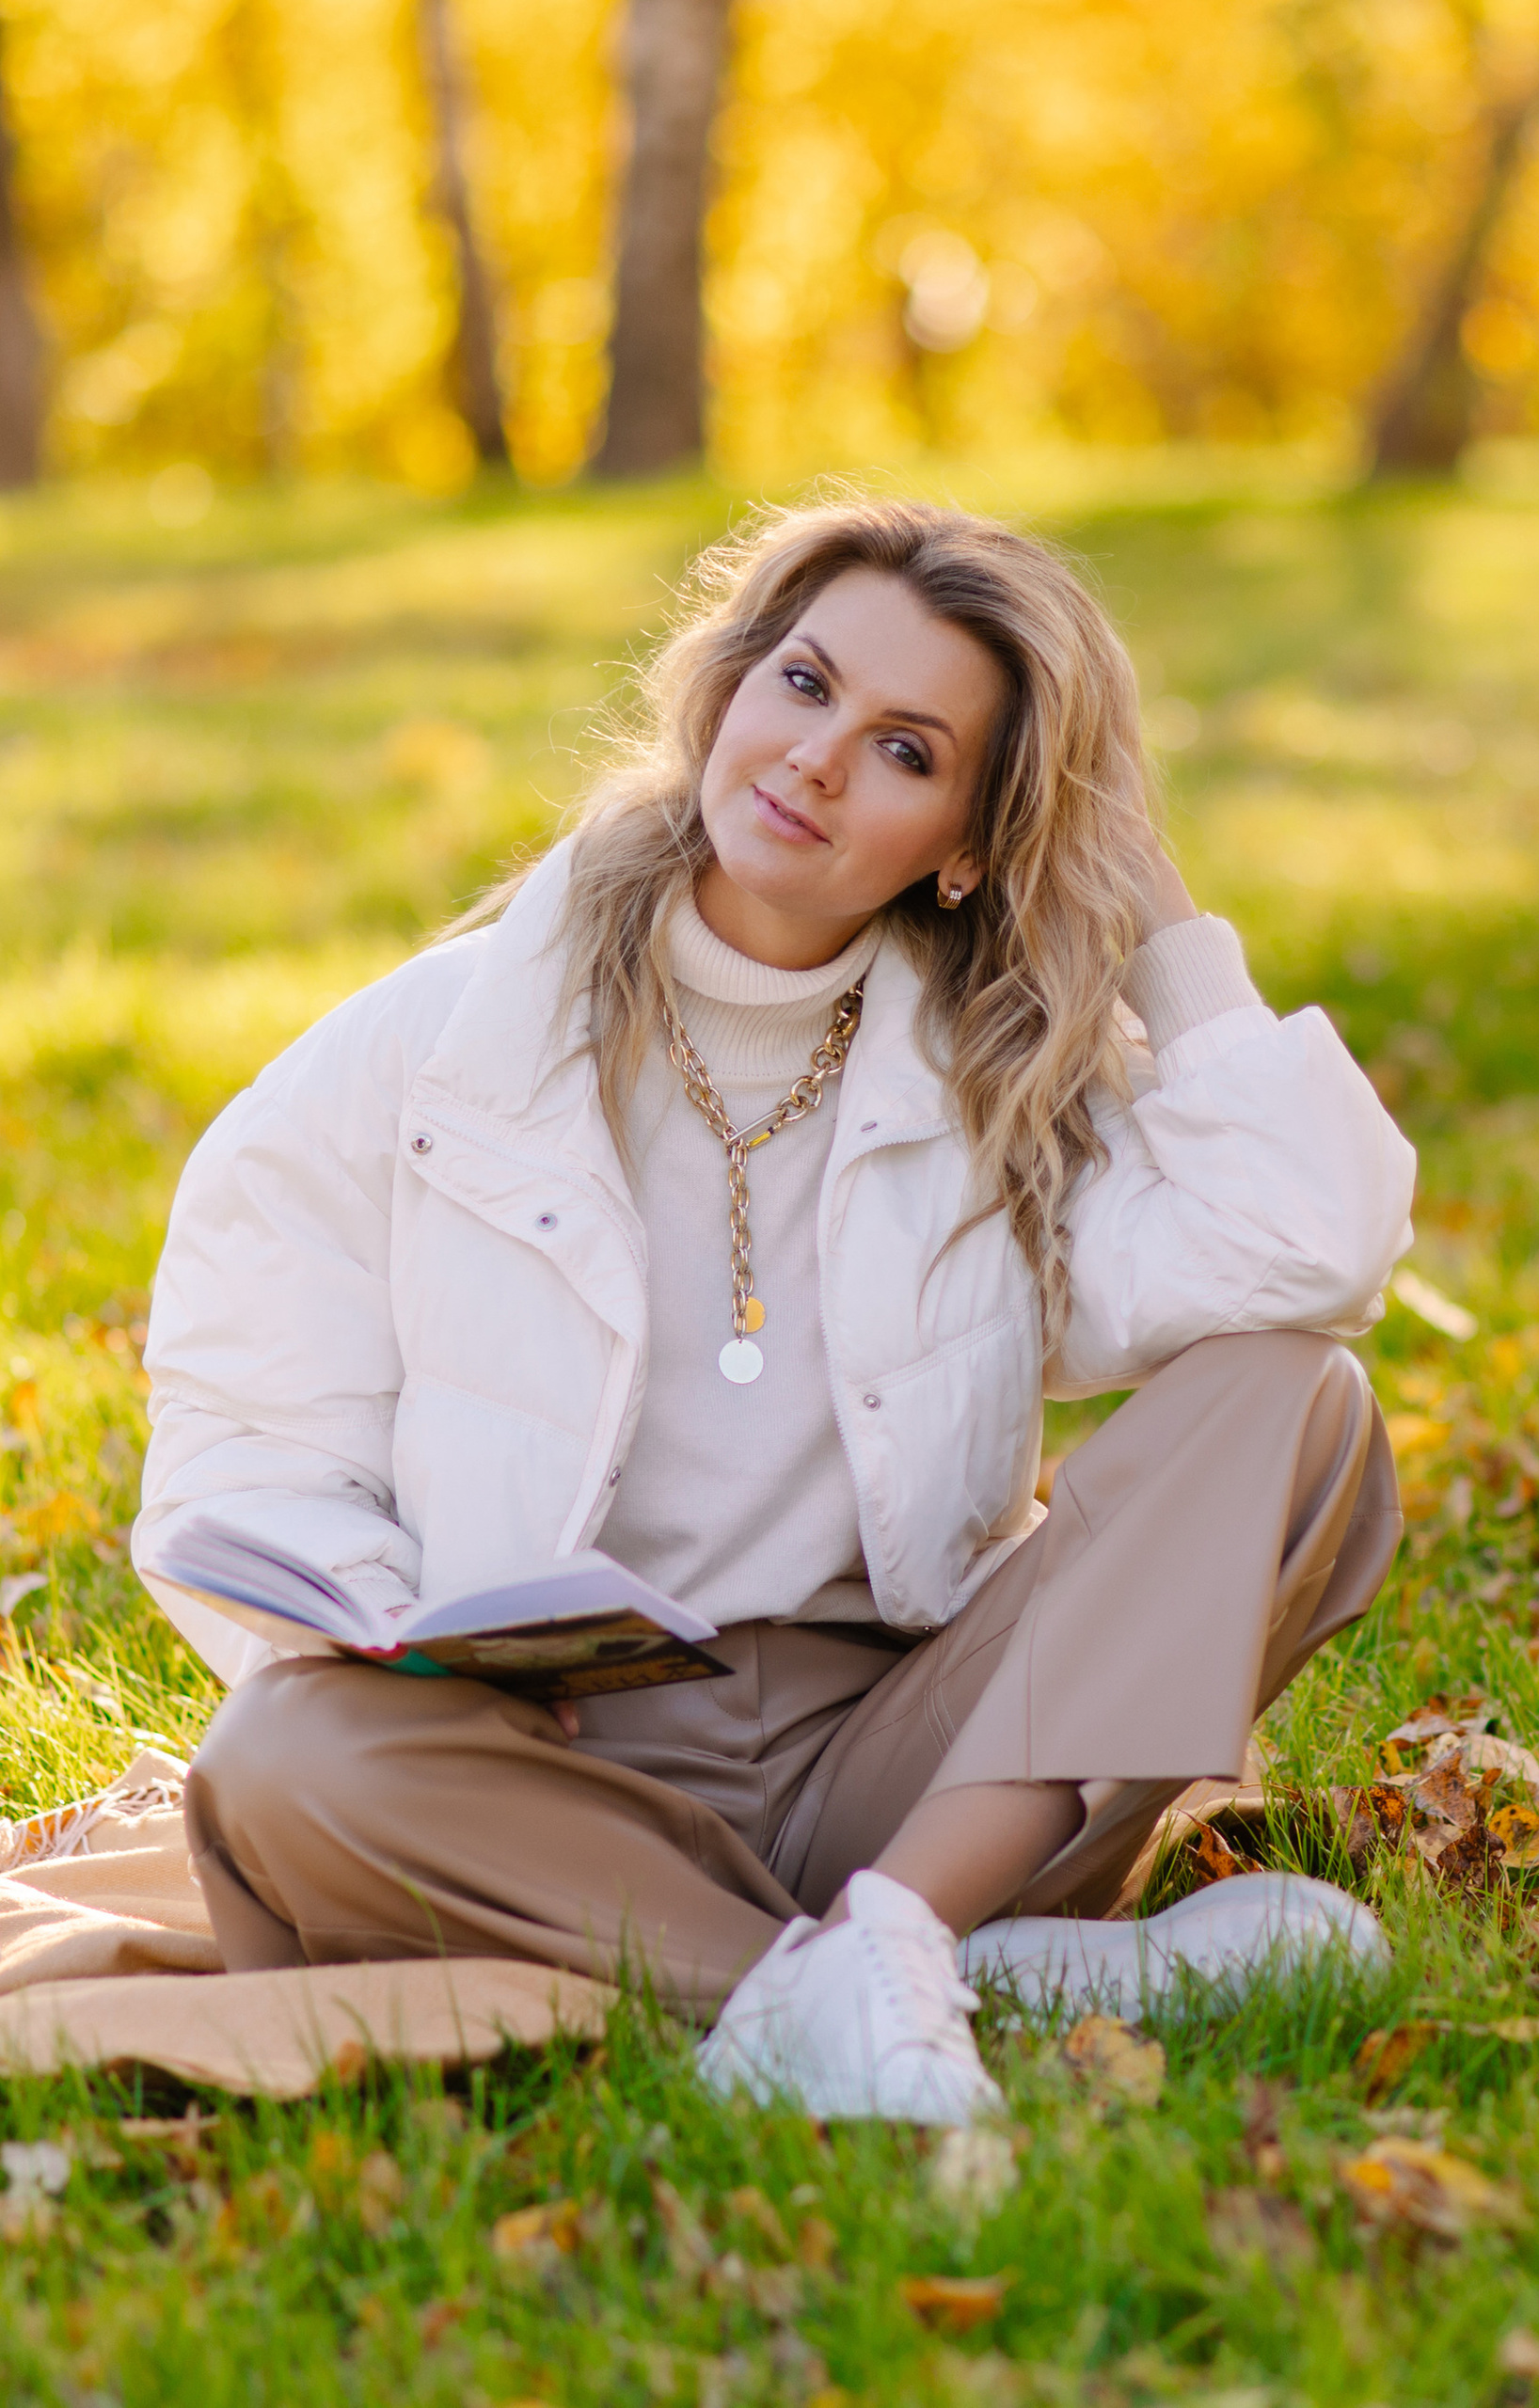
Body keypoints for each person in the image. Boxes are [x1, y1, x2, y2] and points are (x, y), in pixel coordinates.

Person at [132, 498, 1418, 2125]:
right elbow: (245, 1448)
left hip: (904, 1754)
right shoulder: (431, 1054)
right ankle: (947, 1975)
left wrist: (1156, 911)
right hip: (547, 1766)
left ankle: (899, 1926)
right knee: (277, 1767)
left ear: (969, 841)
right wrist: (424, 1632)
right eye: (804, 686)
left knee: (1302, 1397)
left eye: (906, 750)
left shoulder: (1001, 1081)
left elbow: (1313, 1246)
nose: (816, 760)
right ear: (725, 693)